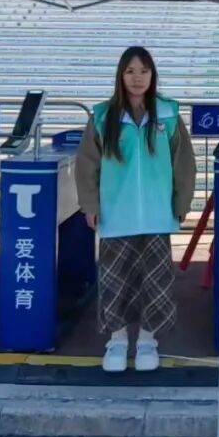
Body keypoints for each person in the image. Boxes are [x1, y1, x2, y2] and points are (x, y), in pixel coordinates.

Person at [75, 46, 196, 373]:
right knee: (116, 282)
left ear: (153, 75)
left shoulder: (168, 114)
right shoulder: (103, 116)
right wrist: (90, 205)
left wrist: (181, 202)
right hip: (117, 215)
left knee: (153, 283)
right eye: (130, 71)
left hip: (157, 215)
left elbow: (184, 163)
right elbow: (87, 165)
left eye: (144, 71)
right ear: (120, 76)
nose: (137, 78)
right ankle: (116, 341)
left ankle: (146, 341)